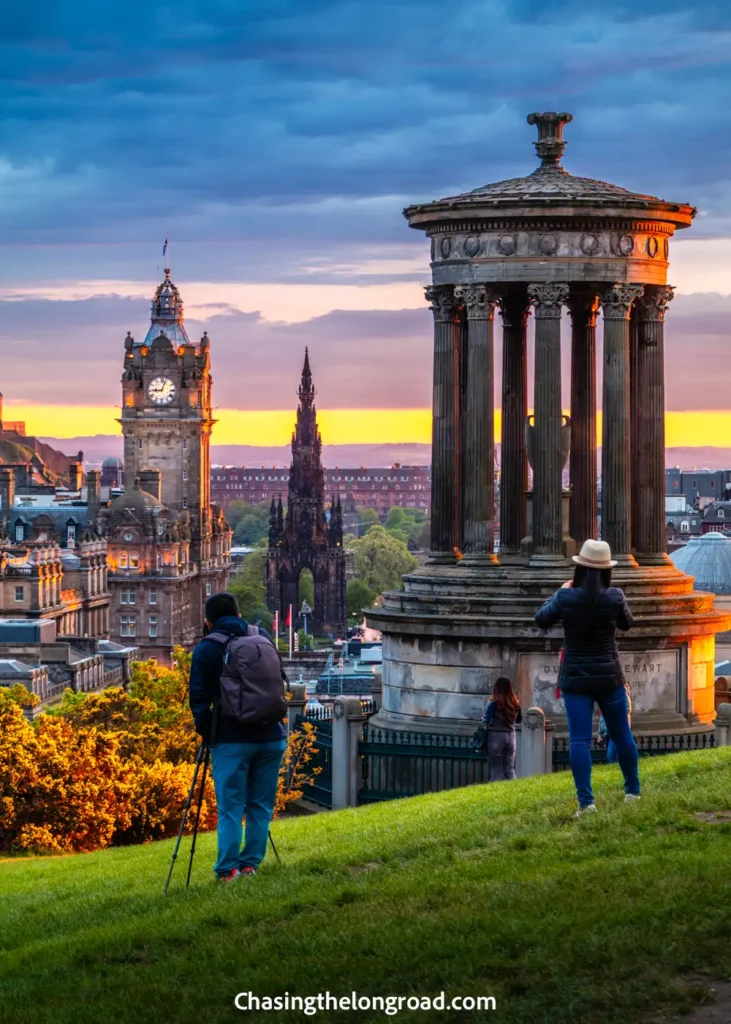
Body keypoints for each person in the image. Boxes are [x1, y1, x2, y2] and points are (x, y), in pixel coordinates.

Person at [535, 539, 640, 816]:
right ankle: (633, 792)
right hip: (609, 676)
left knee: (579, 741)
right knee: (622, 734)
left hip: (576, 678)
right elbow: (627, 623)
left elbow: (542, 619)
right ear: (607, 570)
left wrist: (558, 593)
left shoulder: (565, 597)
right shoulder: (615, 596)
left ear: (579, 567)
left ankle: (586, 803)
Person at [189, 593, 287, 882]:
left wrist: (209, 734)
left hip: (232, 740)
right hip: (272, 735)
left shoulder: (207, 648)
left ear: (208, 622)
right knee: (260, 805)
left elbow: (198, 701)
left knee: (231, 808)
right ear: (239, 614)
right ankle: (250, 866)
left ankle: (227, 870)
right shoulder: (262, 636)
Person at [482, 677, 522, 781]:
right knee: (509, 769)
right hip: (511, 737)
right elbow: (519, 720)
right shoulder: (515, 704)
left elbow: (486, 720)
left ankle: (496, 795)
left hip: (496, 736)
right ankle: (514, 792)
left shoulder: (494, 703)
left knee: (497, 771)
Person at [598, 683, 632, 763]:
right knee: (614, 755)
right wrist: (600, 734)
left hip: (617, 730)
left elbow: (627, 709)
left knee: (611, 756)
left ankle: (617, 771)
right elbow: (602, 717)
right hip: (607, 732)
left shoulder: (621, 690)